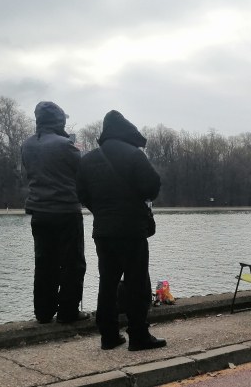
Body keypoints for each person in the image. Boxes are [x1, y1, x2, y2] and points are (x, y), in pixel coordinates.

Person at [76, 110, 166, 351]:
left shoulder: (87, 160)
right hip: (131, 230)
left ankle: (108, 335)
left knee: (107, 282)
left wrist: (101, 210)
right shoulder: (134, 155)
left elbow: (81, 194)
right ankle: (138, 335)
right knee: (137, 283)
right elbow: (152, 186)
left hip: (103, 230)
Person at [21, 101, 88, 324]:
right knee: (73, 263)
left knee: (44, 263)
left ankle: (43, 312)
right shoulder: (66, 146)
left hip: (39, 211)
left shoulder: (27, 145)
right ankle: (68, 313)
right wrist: (73, 145)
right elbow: (81, 173)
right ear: (59, 121)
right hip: (66, 211)